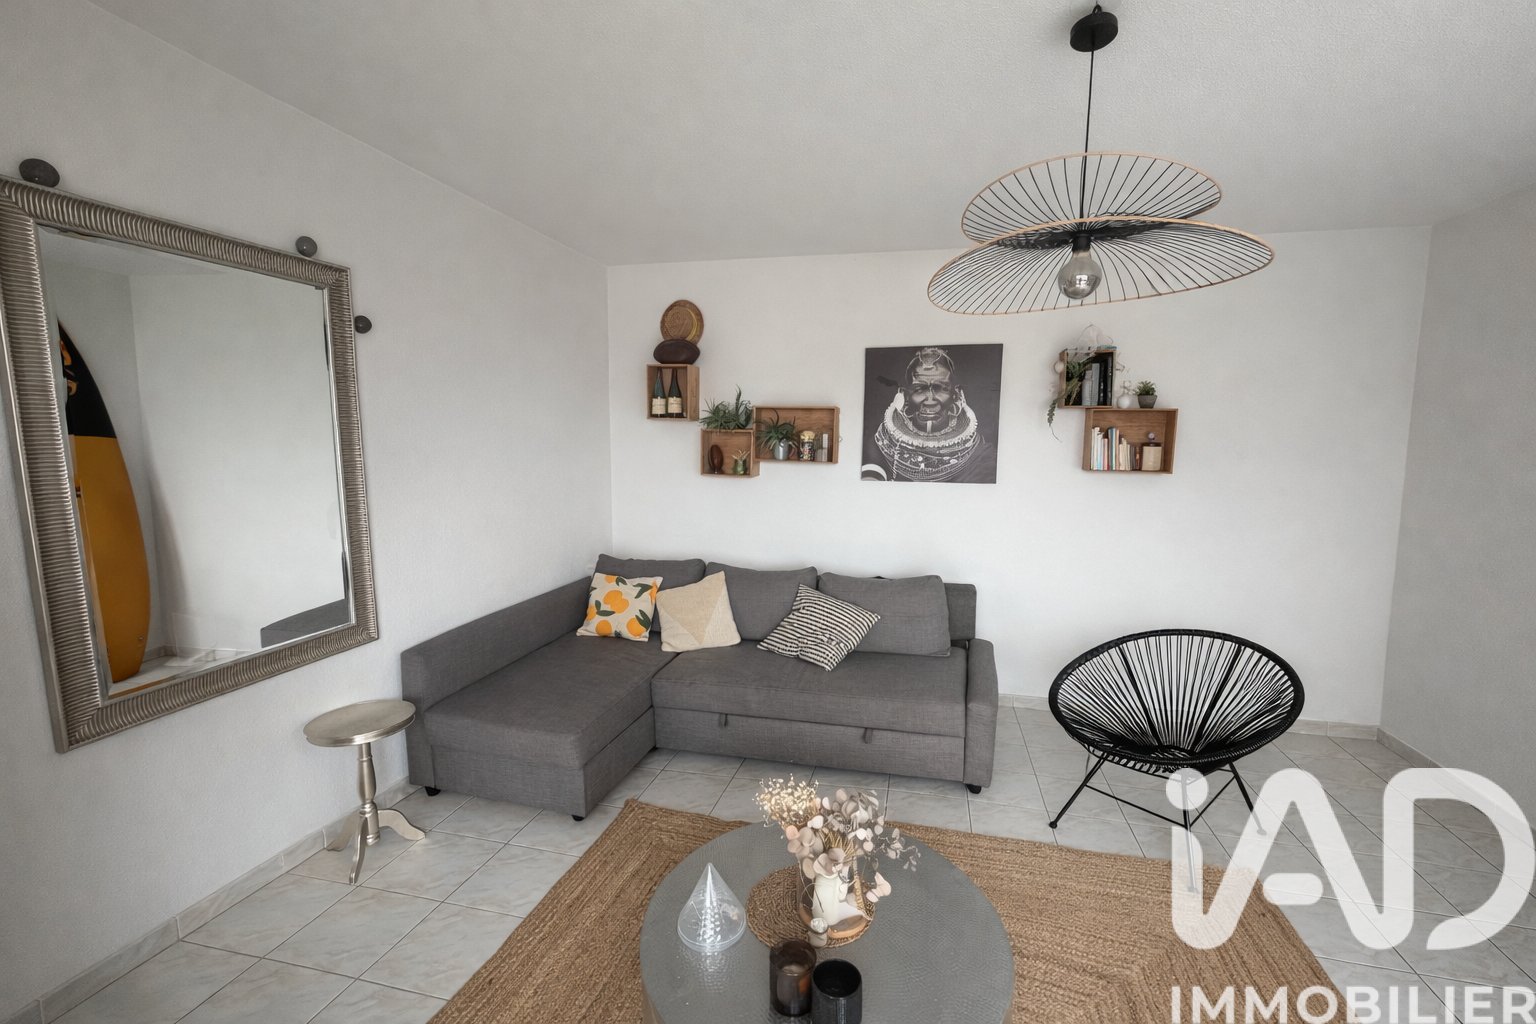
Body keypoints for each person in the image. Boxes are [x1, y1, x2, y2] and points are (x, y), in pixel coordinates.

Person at [862, 346, 997, 483]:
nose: (930, 401)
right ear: (905, 395)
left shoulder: (979, 455)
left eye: (940, 388)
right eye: (919, 389)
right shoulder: (882, 446)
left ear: (955, 395)